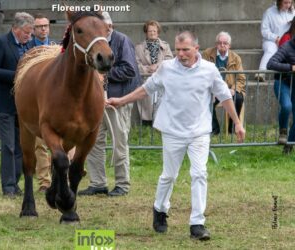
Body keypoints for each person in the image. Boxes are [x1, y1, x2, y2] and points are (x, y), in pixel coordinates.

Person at [106, 31, 245, 240]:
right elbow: (145, 89)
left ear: (196, 49)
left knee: (199, 174)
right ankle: (160, 209)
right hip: (172, 131)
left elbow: (225, 96)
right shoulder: (167, 68)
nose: (180, 54)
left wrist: (237, 123)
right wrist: (121, 100)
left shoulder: (209, 70)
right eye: (178, 50)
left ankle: (197, 223)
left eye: (185, 50)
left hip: (199, 132)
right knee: (168, 176)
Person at [78, 12, 141, 197]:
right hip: (97, 102)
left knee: (119, 142)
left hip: (118, 101)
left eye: (102, 29)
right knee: (93, 142)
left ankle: (122, 183)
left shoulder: (122, 41)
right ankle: (98, 183)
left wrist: (104, 74)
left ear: (110, 27)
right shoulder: (92, 43)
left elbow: (130, 70)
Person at [0, 12, 34, 197]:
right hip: (5, 102)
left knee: (21, 146)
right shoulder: (1, 42)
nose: (29, 36)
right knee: (9, 145)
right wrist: (17, 77)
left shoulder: (29, 45)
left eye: (30, 33)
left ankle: (16, 183)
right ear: (15, 28)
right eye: (26, 32)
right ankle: (8, 187)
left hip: (23, 105)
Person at [26, 13, 55, 193]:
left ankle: (63, 177)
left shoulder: (57, 48)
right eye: (39, 26)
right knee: (40, 143)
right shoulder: (28, 49)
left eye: (45, 25)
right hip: (36, 102)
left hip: (56, 103)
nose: (43, 29)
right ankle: (44, 182)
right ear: (33, 29)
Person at [202, 31, 246, 135]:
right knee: (206, 99)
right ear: (216, 44)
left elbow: (241, 78)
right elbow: (202, 73)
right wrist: (212, 89)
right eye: (219, 42)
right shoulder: (207, 54)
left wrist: (234, 89)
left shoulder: (236, 57)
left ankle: (232, 128)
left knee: (238, 98)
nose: (222, 45)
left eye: (225, 43)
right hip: (213, 88)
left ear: (229, 45)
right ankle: (215, 128)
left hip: (230, 88)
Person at [135, 20, 173, 125]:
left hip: (162, 80)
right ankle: (147, 127)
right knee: (147, 107)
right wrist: (148, 69)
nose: (152, 33)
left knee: (161, 104)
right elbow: (136, 64)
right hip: (146, 80)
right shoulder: (139, 47)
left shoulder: (165, 46)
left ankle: (160, 125)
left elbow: (170, 61)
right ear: (146, 32)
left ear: (158, 32)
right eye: (150, 31)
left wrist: (158, 66)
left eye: (154, 31)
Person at [267, 32, 295, 153]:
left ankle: (288, 145)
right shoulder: (286, 47)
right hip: (282, 82)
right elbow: (270, 64)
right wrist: (290, 67)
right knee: (287, 106)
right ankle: (283, 130)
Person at [257, 0, 295, 81]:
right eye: (285, 2)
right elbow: (264, 30)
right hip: (271, 41)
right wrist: (275, 38)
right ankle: (261, 72)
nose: (288, 5)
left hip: (288, 40)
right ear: (279, 2)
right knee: (271, 49)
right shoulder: (269, 12)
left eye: (290, 2)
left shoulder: (293, 11)